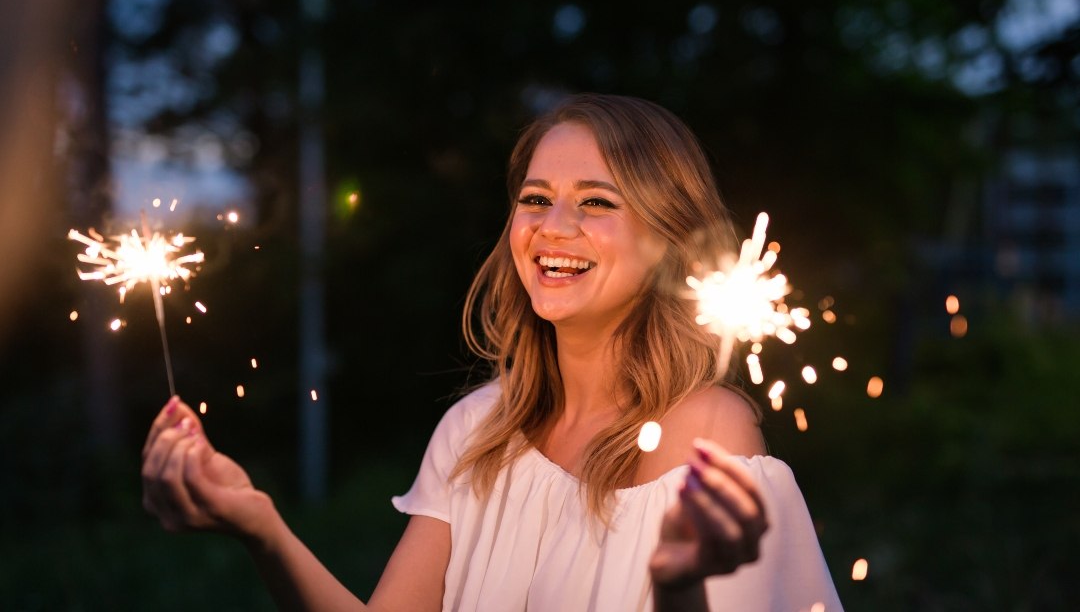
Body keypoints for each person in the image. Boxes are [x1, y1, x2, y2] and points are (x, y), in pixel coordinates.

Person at [142, 94, 843, 611]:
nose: (552, 227)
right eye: (535, 198)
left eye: (596, 203)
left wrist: (679, 587)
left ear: (667, 239)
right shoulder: (478, 429)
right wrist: (259, 525)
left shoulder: (714, 435)